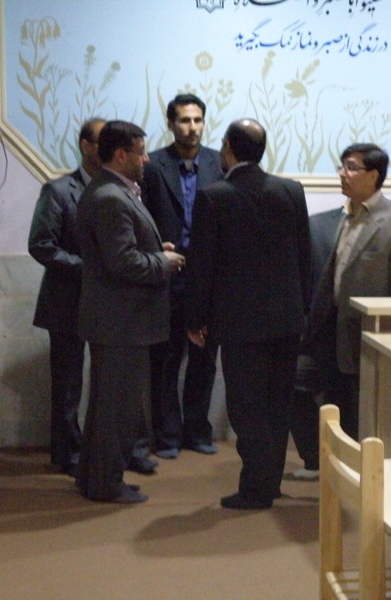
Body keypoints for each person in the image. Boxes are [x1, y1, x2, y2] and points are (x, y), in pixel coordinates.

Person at [185, 119, 311, 510]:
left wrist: (194, 319)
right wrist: (302, 310)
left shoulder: (213, 197)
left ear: (227, 148)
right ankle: (269, 481)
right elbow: (304, 257)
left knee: (246, 406)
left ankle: (256, 488)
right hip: (287, 319)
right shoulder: (290, 191)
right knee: (277, 404)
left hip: (239, 323)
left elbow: (202, 265)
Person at [75, 120, 185, 504]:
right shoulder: (111, 197)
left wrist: (155, 249)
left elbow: (122, 252)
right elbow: (123, 263)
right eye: (141, 152)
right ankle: (107, 483)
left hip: (117, 321)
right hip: (121, 322)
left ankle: (93, 478)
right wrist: (163, 262)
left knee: (106, 407)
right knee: (116, 410)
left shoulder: (111, 191)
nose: (147, 159)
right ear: (121, 155)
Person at [303, 143, 391, 440]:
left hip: (369, 335)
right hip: (331, 330)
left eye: (352, 168)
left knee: (362, 417)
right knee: (324, 401)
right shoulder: (345, 216)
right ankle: (322, 460)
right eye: (342, 166)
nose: (342, 174)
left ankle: (358, 465)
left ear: (373, 175)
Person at [141, 93, 224, 459]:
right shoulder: (153, 164)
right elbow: (141, 216)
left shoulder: (218, 163)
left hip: (208, 277)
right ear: (171, 124)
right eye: (185, 120)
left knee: (204, 359)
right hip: (167, 275)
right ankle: (168, 435)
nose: (192, 127)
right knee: (165, 361)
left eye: (198, 120)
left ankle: (197, 431)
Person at [28, 118, 105, 478]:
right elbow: (41, 245)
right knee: (68, 383)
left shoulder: (117, 190)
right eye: (102, 142)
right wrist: (86, 268)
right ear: (86, 146)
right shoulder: (58, 190)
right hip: (65, 300)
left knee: (108, 380)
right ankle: (67, 453)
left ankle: (101, 449)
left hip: (107, 302)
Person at [287, 207, 343, 481]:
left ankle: (348, 465)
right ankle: (315, 459)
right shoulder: (317, 225)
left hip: (362, 337)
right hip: (316, 334)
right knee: (290, 381)